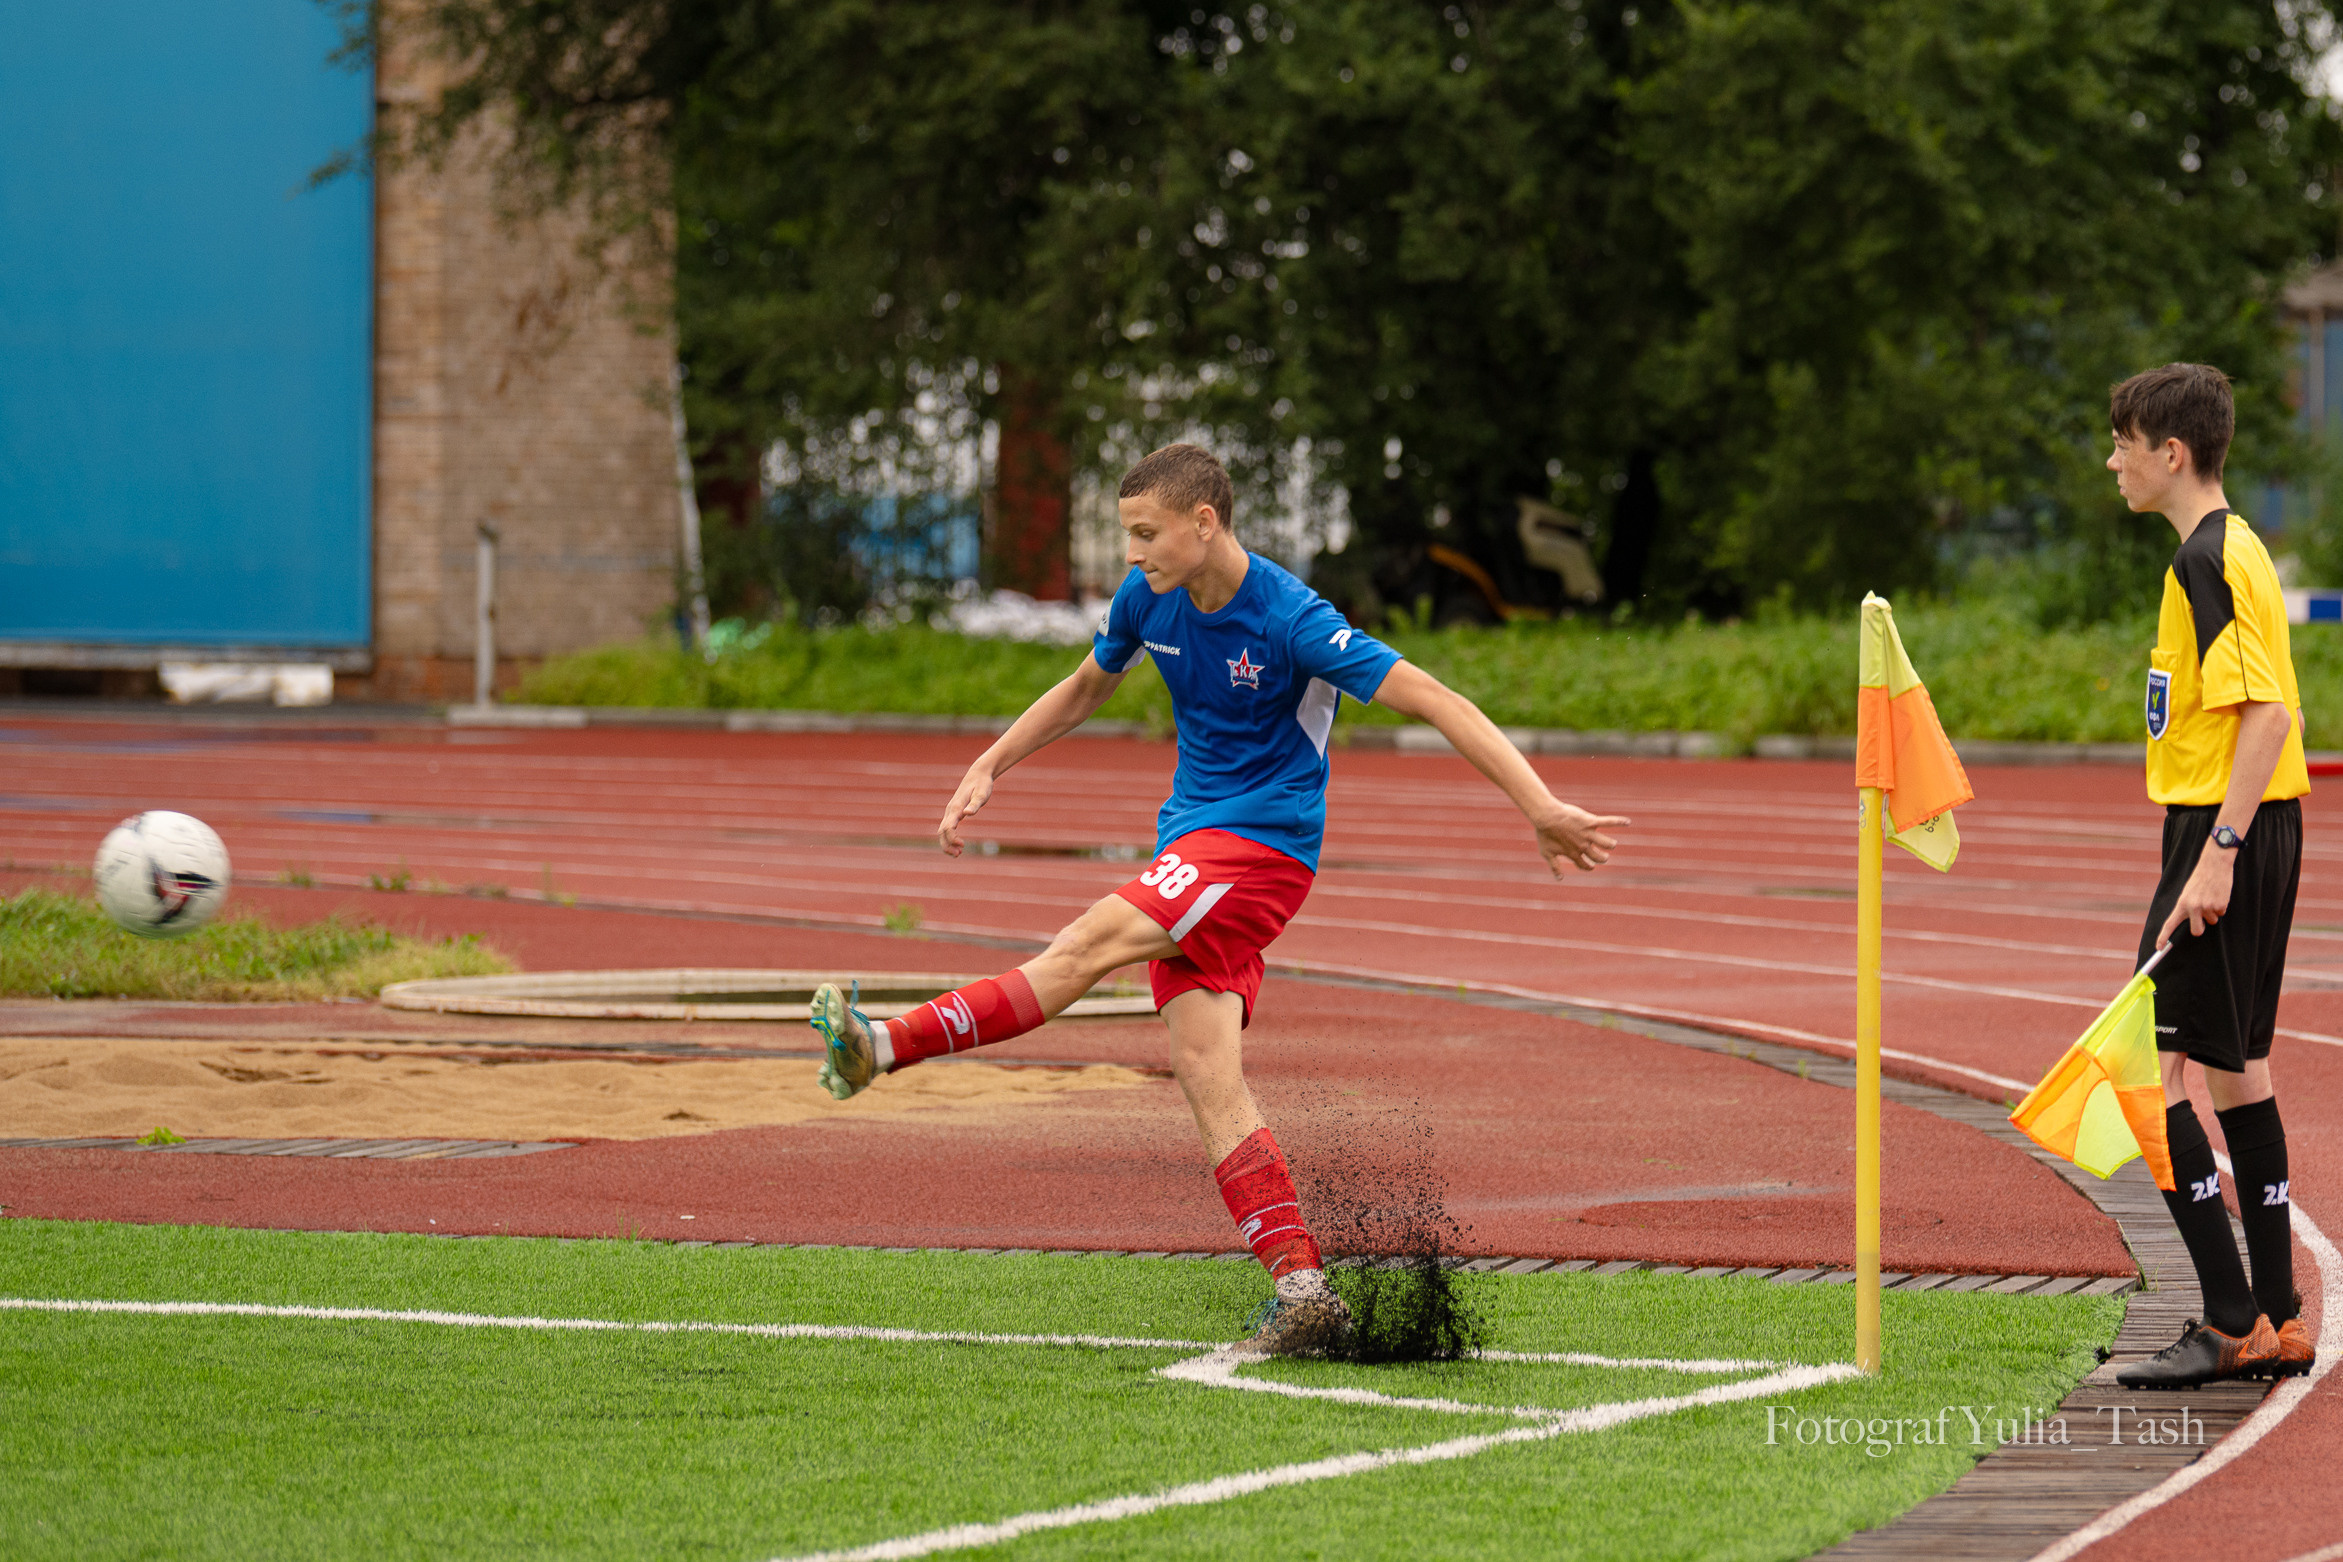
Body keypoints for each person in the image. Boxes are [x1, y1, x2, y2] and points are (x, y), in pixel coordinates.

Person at [808, 443, 1629, 1355]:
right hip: (1193, 843)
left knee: (1086, 942)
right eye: (1127, 535)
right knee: (1208, 1076)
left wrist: (1540, 806)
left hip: (1262, 849)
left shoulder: (1291, 617)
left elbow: (1434, 698)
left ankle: (881, 1046)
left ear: (1205, 523)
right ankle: (1306, 1291)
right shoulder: (1147, 596)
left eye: (1145, 533)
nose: (1131, 553)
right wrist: (991, 760)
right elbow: (1087, 687)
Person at [2104, 363, 2315, 1388]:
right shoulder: (2235, 547)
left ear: (2169, 452)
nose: (2114, 460)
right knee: (2238, 1065)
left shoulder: (2205, 558)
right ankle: (2279, 1312)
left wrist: (2215, 857)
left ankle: (2227, 1316)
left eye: (2123, 442)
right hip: (2265, 818)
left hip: (2223, 828)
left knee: (2152, 1071)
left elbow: (2266, 713)